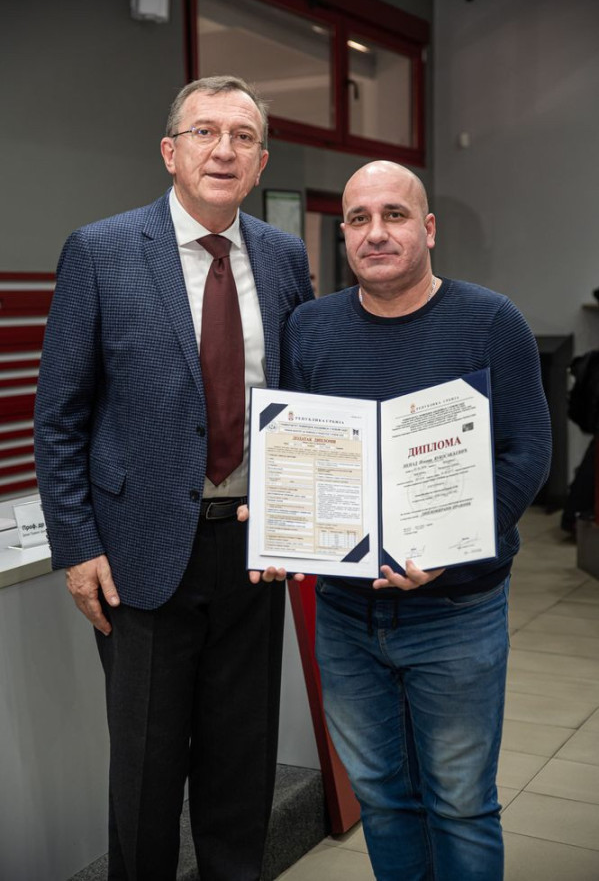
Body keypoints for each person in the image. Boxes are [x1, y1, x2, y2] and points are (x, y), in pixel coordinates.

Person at [34, 76, 313, 881]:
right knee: (147, 771)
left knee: (241, 762)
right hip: (138, 558)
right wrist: (77, 547)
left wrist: (302, 518)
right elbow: (59, 415)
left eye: (242, 136)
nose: (223, 150)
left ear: (261, 161)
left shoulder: (284, 258)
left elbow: (300, 402)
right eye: (204, 132)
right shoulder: (101, 251)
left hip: (253, 552)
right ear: (169, 151)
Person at [278, 161, 551, 880]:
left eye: (393, 215)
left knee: (460, 801)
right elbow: (300, 449)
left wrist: (453, 547)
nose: (376, 233)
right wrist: (278, 516)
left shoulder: (491, 320)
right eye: (358, 219)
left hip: (455, 611)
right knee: (381, 795)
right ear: (343, 234)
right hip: (344, 614)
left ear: (427, 229)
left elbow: (528, 451)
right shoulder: (309, 327)